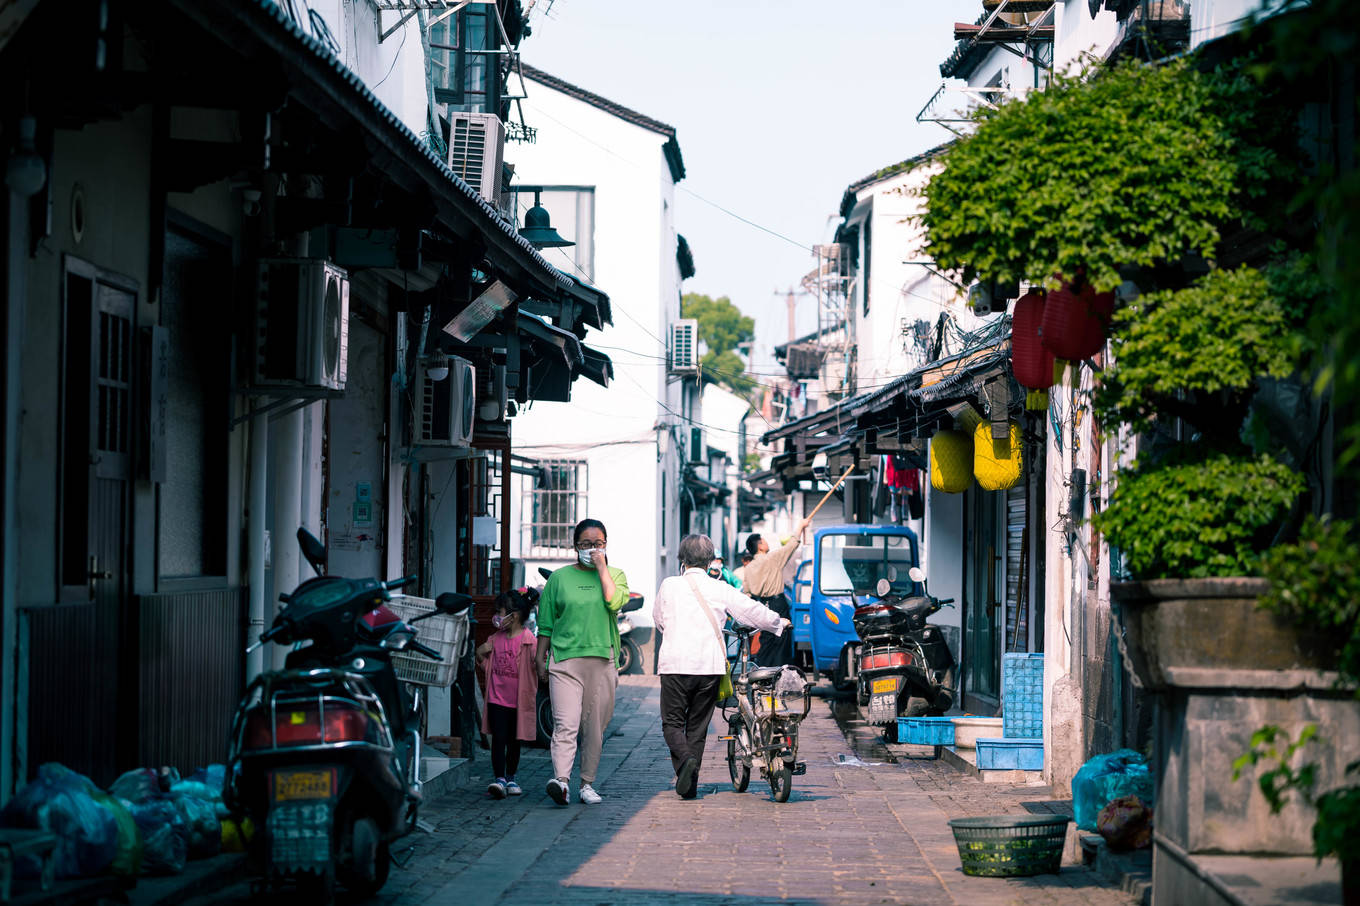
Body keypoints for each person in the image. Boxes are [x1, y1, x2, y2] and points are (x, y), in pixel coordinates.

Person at [654, 534, 788, 799]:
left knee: (672, 723)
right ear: (709, 561)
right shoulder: (720, 587)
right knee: (697, 727)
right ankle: (689, 781)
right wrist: (779, 622)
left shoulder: (669, 585)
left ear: (683, 560)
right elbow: (751, 610)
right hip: (709, 666)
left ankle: (684, 763)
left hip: (675, 665)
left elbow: (659, 620)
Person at [536, 518, 630, 806]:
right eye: (586, 544)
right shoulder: (559, 579)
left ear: (606, 545)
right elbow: (546, 623)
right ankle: (562, 781)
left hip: (602, 660)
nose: (592, 549)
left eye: (598, 544)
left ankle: (587, 783)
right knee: (566, 723)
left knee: (594, 729)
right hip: (565, 661)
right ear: (575, 546)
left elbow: (614, 603)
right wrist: (540, 658)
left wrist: (602, 569)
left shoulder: (616, 574)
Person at [475, 586, 540, 800]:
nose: (497, 617)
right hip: (496, 699)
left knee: (514, 741)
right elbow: (486, 663)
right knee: (499, 739)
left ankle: (511, 777)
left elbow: (538, 666)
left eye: (501, 612)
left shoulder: (529, 640)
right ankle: (499, 778)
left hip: (518, 702)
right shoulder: (496, 638)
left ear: (515, 615)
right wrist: (480, 653)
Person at [743, 515, 814, 667]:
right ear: (760, 546)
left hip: (761, 606)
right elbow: (791, 545)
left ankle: (764, 673)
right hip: (777, 604)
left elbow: (747, 592)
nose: (767, 542)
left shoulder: (748, 568)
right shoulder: (772, 558)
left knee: (766, 640)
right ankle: (781, 673)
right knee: (782, 638)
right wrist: (801, 526)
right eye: (764, 540)